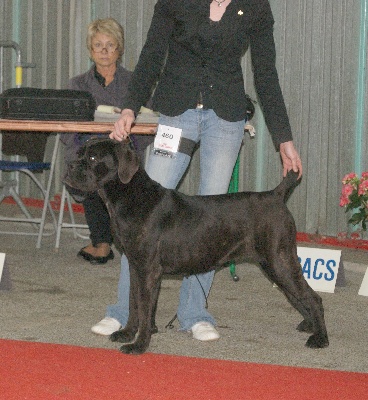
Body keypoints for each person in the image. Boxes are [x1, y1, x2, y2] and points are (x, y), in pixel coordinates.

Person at [91, 0, 303, 340]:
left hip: (227, 116)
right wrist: (130, 107)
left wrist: (284, 139)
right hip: (176, 113)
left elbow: (266, 73)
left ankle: (194, 313)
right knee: (141, 216)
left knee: (213, 220)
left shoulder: (256, 7)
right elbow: (151, 55)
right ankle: (125, 313)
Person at [61, 18, 153, 265]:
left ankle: (125, 238)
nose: (103, 51)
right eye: (98, 45)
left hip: (123, 152)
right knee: (92, 169)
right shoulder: (77, 85)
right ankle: (101, 242)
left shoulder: (136, 83)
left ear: (119, 49)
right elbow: (66, 129)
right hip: (86, 151)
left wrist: (129, 142)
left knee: (113, 170)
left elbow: (149, 124)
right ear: (90, 51)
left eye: (109, 45)